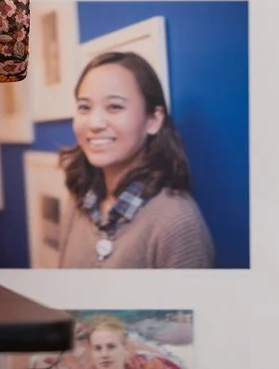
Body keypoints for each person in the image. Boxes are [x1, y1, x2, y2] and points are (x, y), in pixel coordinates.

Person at [54, 50, 215, 268]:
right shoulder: (79, 199)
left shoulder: (177, 222)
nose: (94, 123)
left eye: (115, 106)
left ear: (153, 120)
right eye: (85, 107)